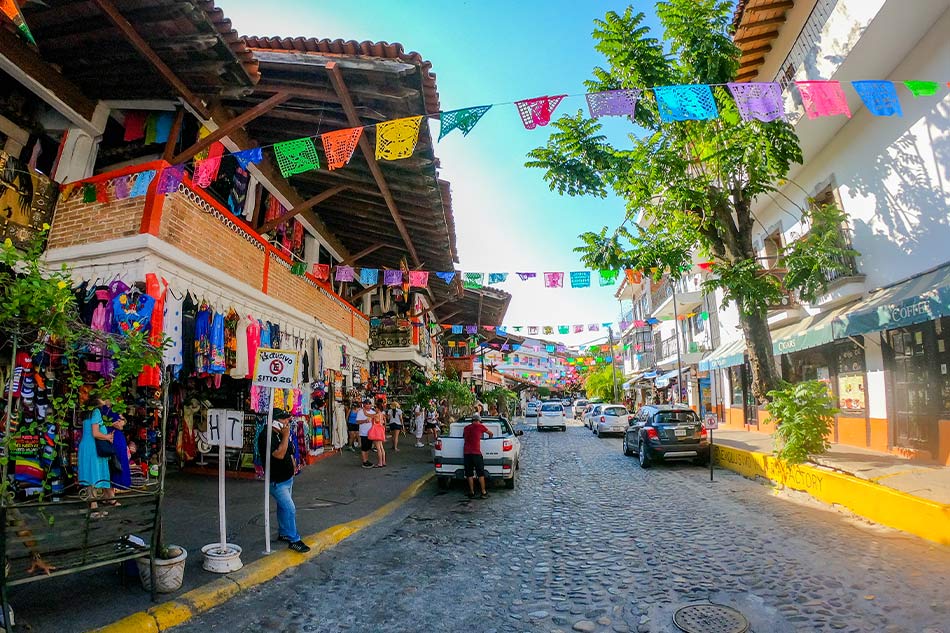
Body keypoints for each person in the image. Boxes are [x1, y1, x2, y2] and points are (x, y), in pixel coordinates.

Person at [258, 408, 310, 553]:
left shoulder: (281, 433)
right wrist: (286, 435)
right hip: (277, 481)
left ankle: (284, 533)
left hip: (287, 478)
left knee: (283, 508)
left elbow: (289, 451)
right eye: (284, 419)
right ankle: (294, 540)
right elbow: (279, 454)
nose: (288, 421)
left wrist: (293, 466)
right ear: (274, 421)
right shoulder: (267, 436)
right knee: (289, 508)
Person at [77, 397, 114, 513]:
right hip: (93, 447)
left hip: (85, 446)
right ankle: (94, 507)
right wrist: (107, 437)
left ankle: (93, 504)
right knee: (94, 474)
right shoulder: (96, 412)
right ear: (97, 401)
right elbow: (95, 433)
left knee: (89, 474)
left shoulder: (86, 413)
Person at [462, 414, 493, 499]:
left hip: (467, 453)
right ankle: (483, 492)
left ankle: (472, 492)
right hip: (476, 453)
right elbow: (491, 433)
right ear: (479, 421)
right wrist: (490, 439)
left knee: (469, 474)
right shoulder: (480, 426)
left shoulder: (466, 428)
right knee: (480, 473)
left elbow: (464, 436)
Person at [109, 413, 132, 493]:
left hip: (115, 437)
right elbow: (120, 424)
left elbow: (122, 422)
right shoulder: (109, 411)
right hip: (114, 437)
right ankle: (111, 492)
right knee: (115, 463)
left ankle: (111, 492)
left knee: (115, 463)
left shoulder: (113, 410)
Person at [356, 399, 377, 468]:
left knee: (368, 447)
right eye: (367, 404)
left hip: (371, 433)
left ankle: (366, 460)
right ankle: (364, 461)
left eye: (369, 404)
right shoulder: (360, 412)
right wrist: (365, 421)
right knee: (364, 447)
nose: (368, 405)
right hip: (363, 432)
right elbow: (357, 422)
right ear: (364, 404)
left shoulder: (372, 412)